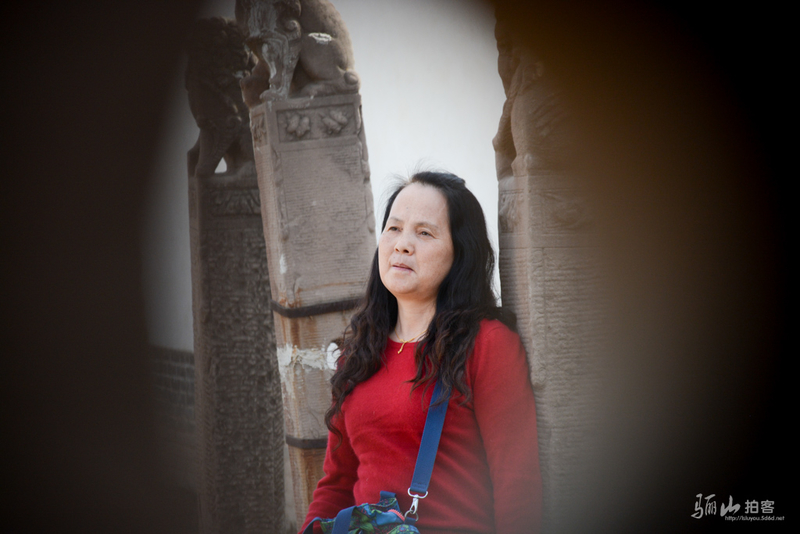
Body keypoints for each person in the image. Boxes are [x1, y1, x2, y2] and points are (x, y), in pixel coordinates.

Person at [300, 171, 541, 534]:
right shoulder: (357, 354)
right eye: (394, 228)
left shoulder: (488, 345)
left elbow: (517, 487)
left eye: (424, 233)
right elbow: (336, 485)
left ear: (460, 254)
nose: (402, 244)